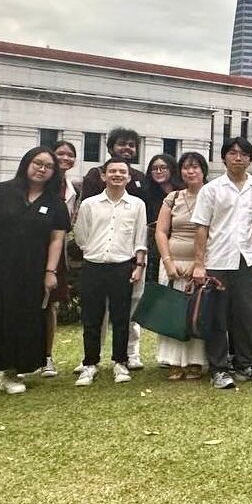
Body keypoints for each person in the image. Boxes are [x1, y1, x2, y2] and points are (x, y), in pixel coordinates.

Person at [0, 147, 71, 403]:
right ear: (26, 163)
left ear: (54, 172)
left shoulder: (54, 203)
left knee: (22, 320)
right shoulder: (0, 192)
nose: (42, 168)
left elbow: (57, 239)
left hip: (31, 271)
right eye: (37, 163)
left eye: (48, 166)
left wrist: (50, 271)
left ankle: (10, 374)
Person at [191, 137, 252, 389]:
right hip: (217, 260)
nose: (238, 157)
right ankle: (219, 368)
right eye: (233, 153)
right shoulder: (211, 189)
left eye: (244, 154)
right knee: (217, 317)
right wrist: (199, 264)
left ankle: (246, 364)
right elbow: (201, 228)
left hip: (246, 260)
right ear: (224, 157)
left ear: (250, 159)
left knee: (246, 314)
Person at [73, 157, 148, 386]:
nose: (117, 175)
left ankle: (120, 362)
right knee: (92, 318)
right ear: (103, 176)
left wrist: (139, 265)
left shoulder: (137, 205)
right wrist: (94, 253)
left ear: (129, 176)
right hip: (93, 266)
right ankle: (90, 363)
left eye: (122, 172)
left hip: (122, 267)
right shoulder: (89, 204)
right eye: (112, 171)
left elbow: (140, 238)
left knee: (121, 318)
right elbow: (81, 236)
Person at [153, 152, 209, 381]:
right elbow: (161, 231)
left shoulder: (212, 196)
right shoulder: (173, 197)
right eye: (186, 167)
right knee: (173, 312)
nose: (190, 171)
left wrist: (199, 263)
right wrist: (168, 262)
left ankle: (196, 361)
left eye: (195, 167)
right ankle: (174, 361)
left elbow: (214, 232)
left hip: (201, 266)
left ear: (203, 170)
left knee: (197, 313)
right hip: (173, 265)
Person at [40, 140, 80, 378]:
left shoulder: (73, 188)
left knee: (50, 304)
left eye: (70, 154)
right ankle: (22, 355)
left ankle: (46, 356)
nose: (65, 158)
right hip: (32, 250)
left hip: (58, 251)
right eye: (60, 153)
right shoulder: (40, 183)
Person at [143, 154, 183, 283]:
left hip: (180, 246)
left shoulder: (183, 192)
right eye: (154, 168)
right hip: (155, 249)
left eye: (163, 167)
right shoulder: (146, 194)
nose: (158, 171)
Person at [80, 127, 146, 199]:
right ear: (110, 149)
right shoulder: (95, 174)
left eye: (131, 145)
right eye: (122, 144)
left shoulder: (140, 176)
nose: (127, 147)